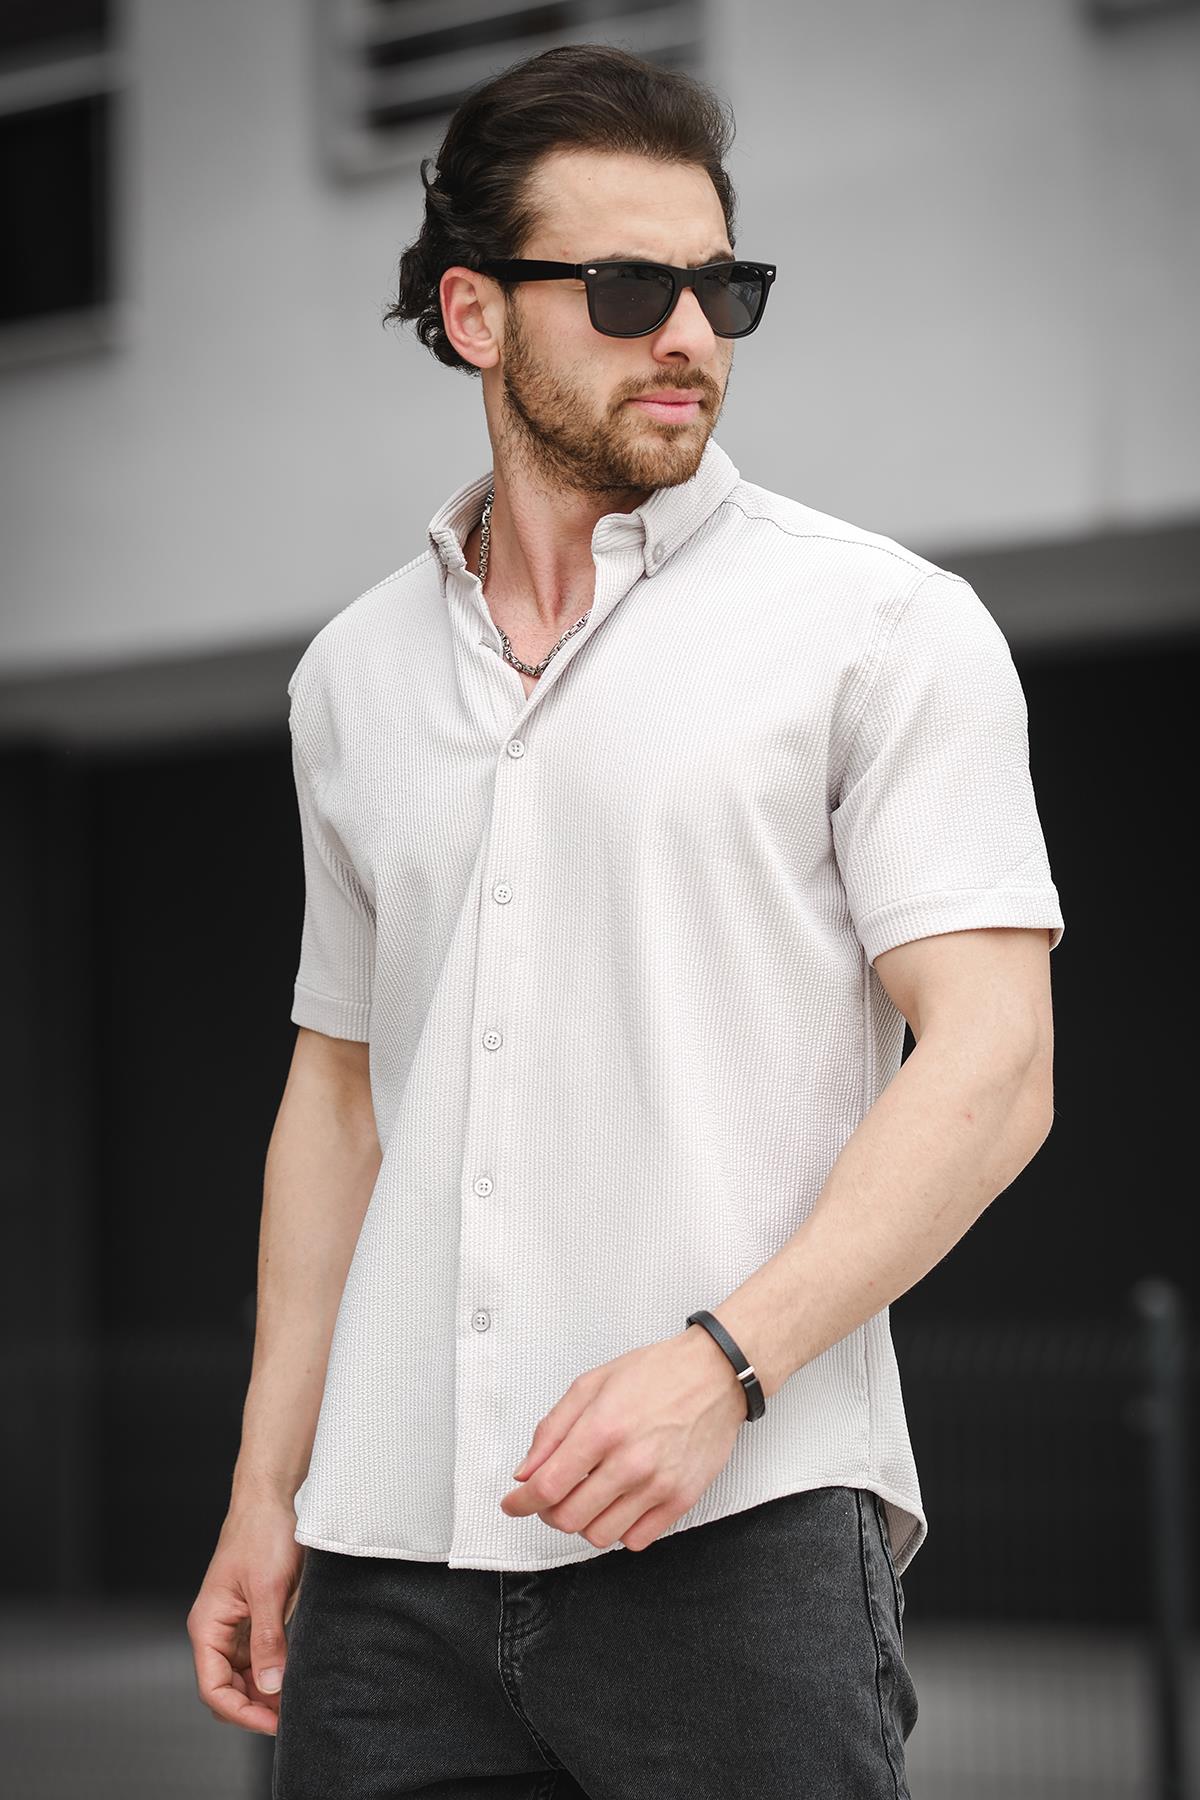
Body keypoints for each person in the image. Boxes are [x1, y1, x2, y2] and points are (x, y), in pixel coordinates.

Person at [188, 41, 1065, 1800]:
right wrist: (267, 1485)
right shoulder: (349, 678)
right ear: (473, 313)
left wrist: (723, 1368)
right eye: (624, 288)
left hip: (738, 1535)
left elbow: (995, 1066)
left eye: (721, 289)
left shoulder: (881, 627)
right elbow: (340, 1096)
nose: (689, 335)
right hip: (386, 1567)